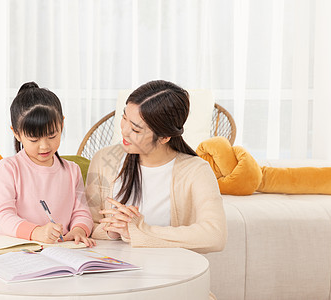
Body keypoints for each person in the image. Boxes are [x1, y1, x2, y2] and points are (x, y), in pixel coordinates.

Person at [86, 80, 227, 254]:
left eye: (136, 130)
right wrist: (113, 230)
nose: (124, 131)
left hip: (169, 272)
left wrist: (139, 230)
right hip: (114, 272)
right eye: (124, 118)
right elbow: (88, 223)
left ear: (164, 137)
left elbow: (215, 236)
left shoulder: (196, 171)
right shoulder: (104, 160)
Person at [0, 82, 95, 247]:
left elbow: (81, 211)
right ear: (16, 133)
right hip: (14, 249)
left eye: (52, 135)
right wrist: (36, 232)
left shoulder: (72, 171)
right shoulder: (9, 168)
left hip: (57, 250)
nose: (44, 146)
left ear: (62, 125)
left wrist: (79, 230)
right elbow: (3, 216)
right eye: (34, 139)